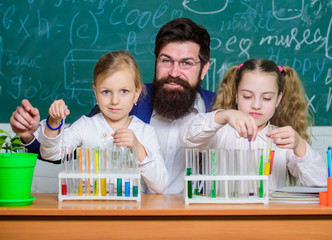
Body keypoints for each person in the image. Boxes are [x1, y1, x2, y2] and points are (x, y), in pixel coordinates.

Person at [9, 18, 216, 194]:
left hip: (193, 217)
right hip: (131, 214)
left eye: (186, 63)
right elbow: (66, 149)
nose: (173, 72)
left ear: (204, 68)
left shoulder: (216, 109)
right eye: (166, 60)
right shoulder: (125, 96)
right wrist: (29, 135)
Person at [179, 58, 327, 190]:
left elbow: (320, 183)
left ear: (278, 99)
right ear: (236, 95)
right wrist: (223, 115)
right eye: (247, 96)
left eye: (267, 98)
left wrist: (299, 145)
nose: (256, 105)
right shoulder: (219, 132)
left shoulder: (282, 140)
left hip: (268, 218)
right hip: (224, 216)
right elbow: (186, 137)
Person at [37, 50, 168, 194]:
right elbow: (51, 154)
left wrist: (138, 148)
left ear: (136, 93)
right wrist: (53, 123)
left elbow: (160, 186)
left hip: (130, 212)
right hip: (90, 211)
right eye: (106, 92)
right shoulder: (85, 126)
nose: (115, 100)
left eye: (124, 91)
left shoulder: (145, 132)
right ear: (96, 93)